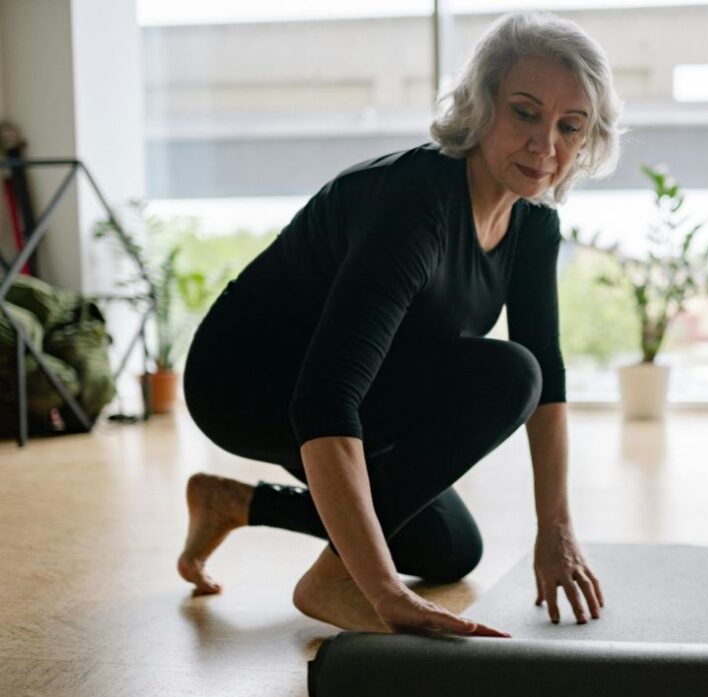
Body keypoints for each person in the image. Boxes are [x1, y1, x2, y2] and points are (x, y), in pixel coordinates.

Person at [178, 11, 623, 638]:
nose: (545, 146)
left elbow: (549, 379)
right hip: (249, 377)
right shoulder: (417, 204)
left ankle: (234, 503)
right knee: (505, 377)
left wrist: (556, 533)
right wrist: (378, 590)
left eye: (569, 126)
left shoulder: (532, 222)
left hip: (357, 384)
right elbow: (326, 398)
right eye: (525, 113)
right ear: (481, 104)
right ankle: (330, 583)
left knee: (448, 548)